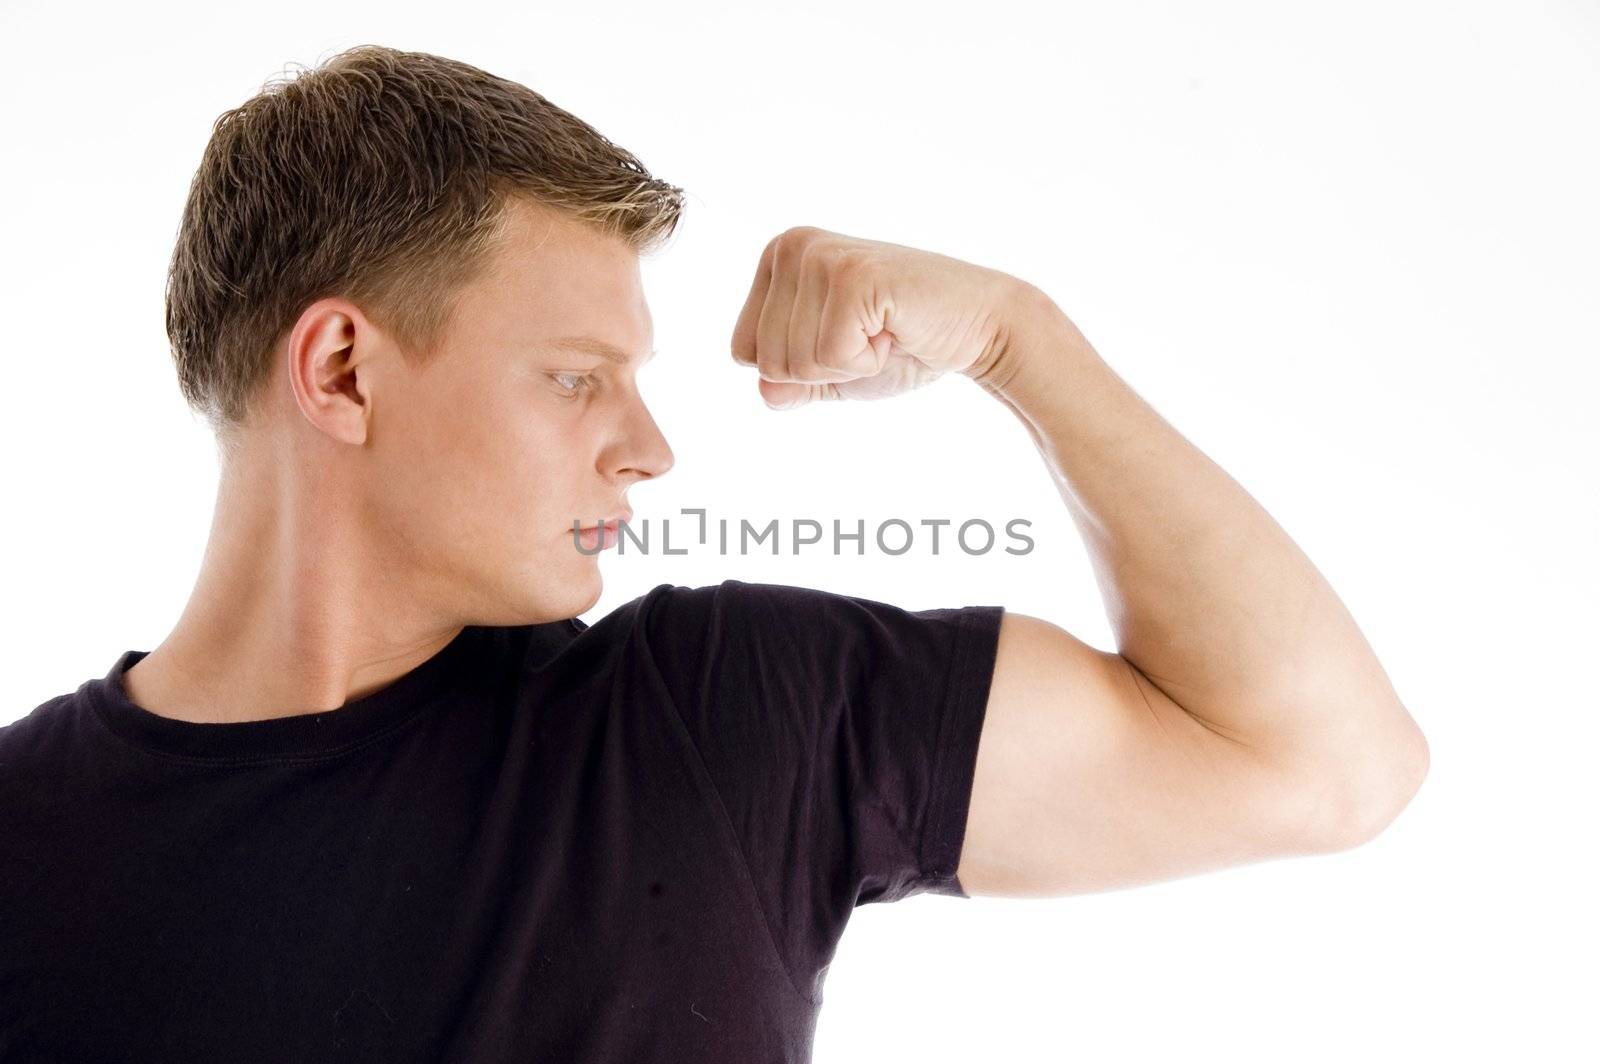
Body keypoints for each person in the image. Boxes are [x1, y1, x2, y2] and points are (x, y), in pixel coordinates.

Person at [0, 44, 1429, 1063]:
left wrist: (1016, 340)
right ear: (347, 372)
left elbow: (1320, 767)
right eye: (575, 377)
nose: (649, 448)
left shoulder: (721, 712)